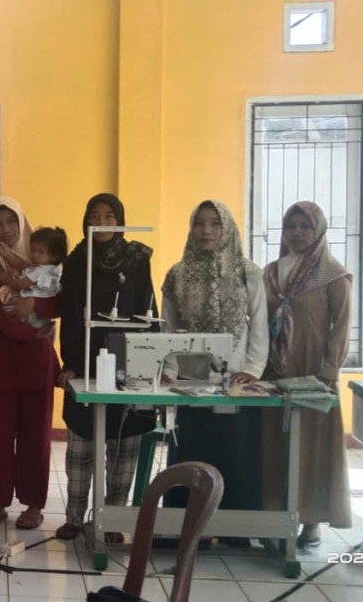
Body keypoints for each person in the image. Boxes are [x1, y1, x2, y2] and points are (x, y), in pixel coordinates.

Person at [160, 200, 268, 543]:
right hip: (190, 380)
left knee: (235, 453)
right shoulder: (177, 273)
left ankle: (236, 534)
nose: (206, 230)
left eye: (215, 223)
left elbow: (259, 323)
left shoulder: (247, 272)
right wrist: (170, 368)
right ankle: (189, 531)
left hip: (234, 380)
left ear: (227, 228)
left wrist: (252, 369)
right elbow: (169, 327)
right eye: (199, 223)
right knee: (192, 452)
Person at [54, 193, 159, 542]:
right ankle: (74, 518)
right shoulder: (76, 261)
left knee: (123, 445)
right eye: (94, 215)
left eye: (109, 215)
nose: (101, 222)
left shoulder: (137, 258)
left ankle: (112, 519)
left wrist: (148, 362)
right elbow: (70, 316)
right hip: (85, 360)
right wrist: (70, 364)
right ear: (86, 221)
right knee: (80, 447)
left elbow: (148, 309)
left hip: (127, 362)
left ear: (120, 220)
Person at [260, 201, 353, 548]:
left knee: (312, 446)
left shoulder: (333, 275)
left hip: (314, 371)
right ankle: (272, 517)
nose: (297, 233)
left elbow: (342, 326)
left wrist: (330, 370)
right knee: (272, 442)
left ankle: (311, 520)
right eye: (290, 226)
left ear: (319, 231)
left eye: (305, 226)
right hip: (272, 369)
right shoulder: (272, 273)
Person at [0, 197, 60, 530]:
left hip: (36, 362)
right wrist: (30, 332)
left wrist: (35, 307)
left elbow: (58, 303)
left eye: (12, 221)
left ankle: (34, 503)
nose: (5, 229)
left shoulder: (43, 263)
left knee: (35, 437)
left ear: (22, 224)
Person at [0, 226, 67, 351]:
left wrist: (7, 279)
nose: (35, 255)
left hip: (29, 317)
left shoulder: (40, 271)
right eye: (33, 250)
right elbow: (23, 265)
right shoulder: (51, 269)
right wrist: (8, 254)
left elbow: (21, 284)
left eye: (41, 252)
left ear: (54, 257)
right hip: (40, 322)